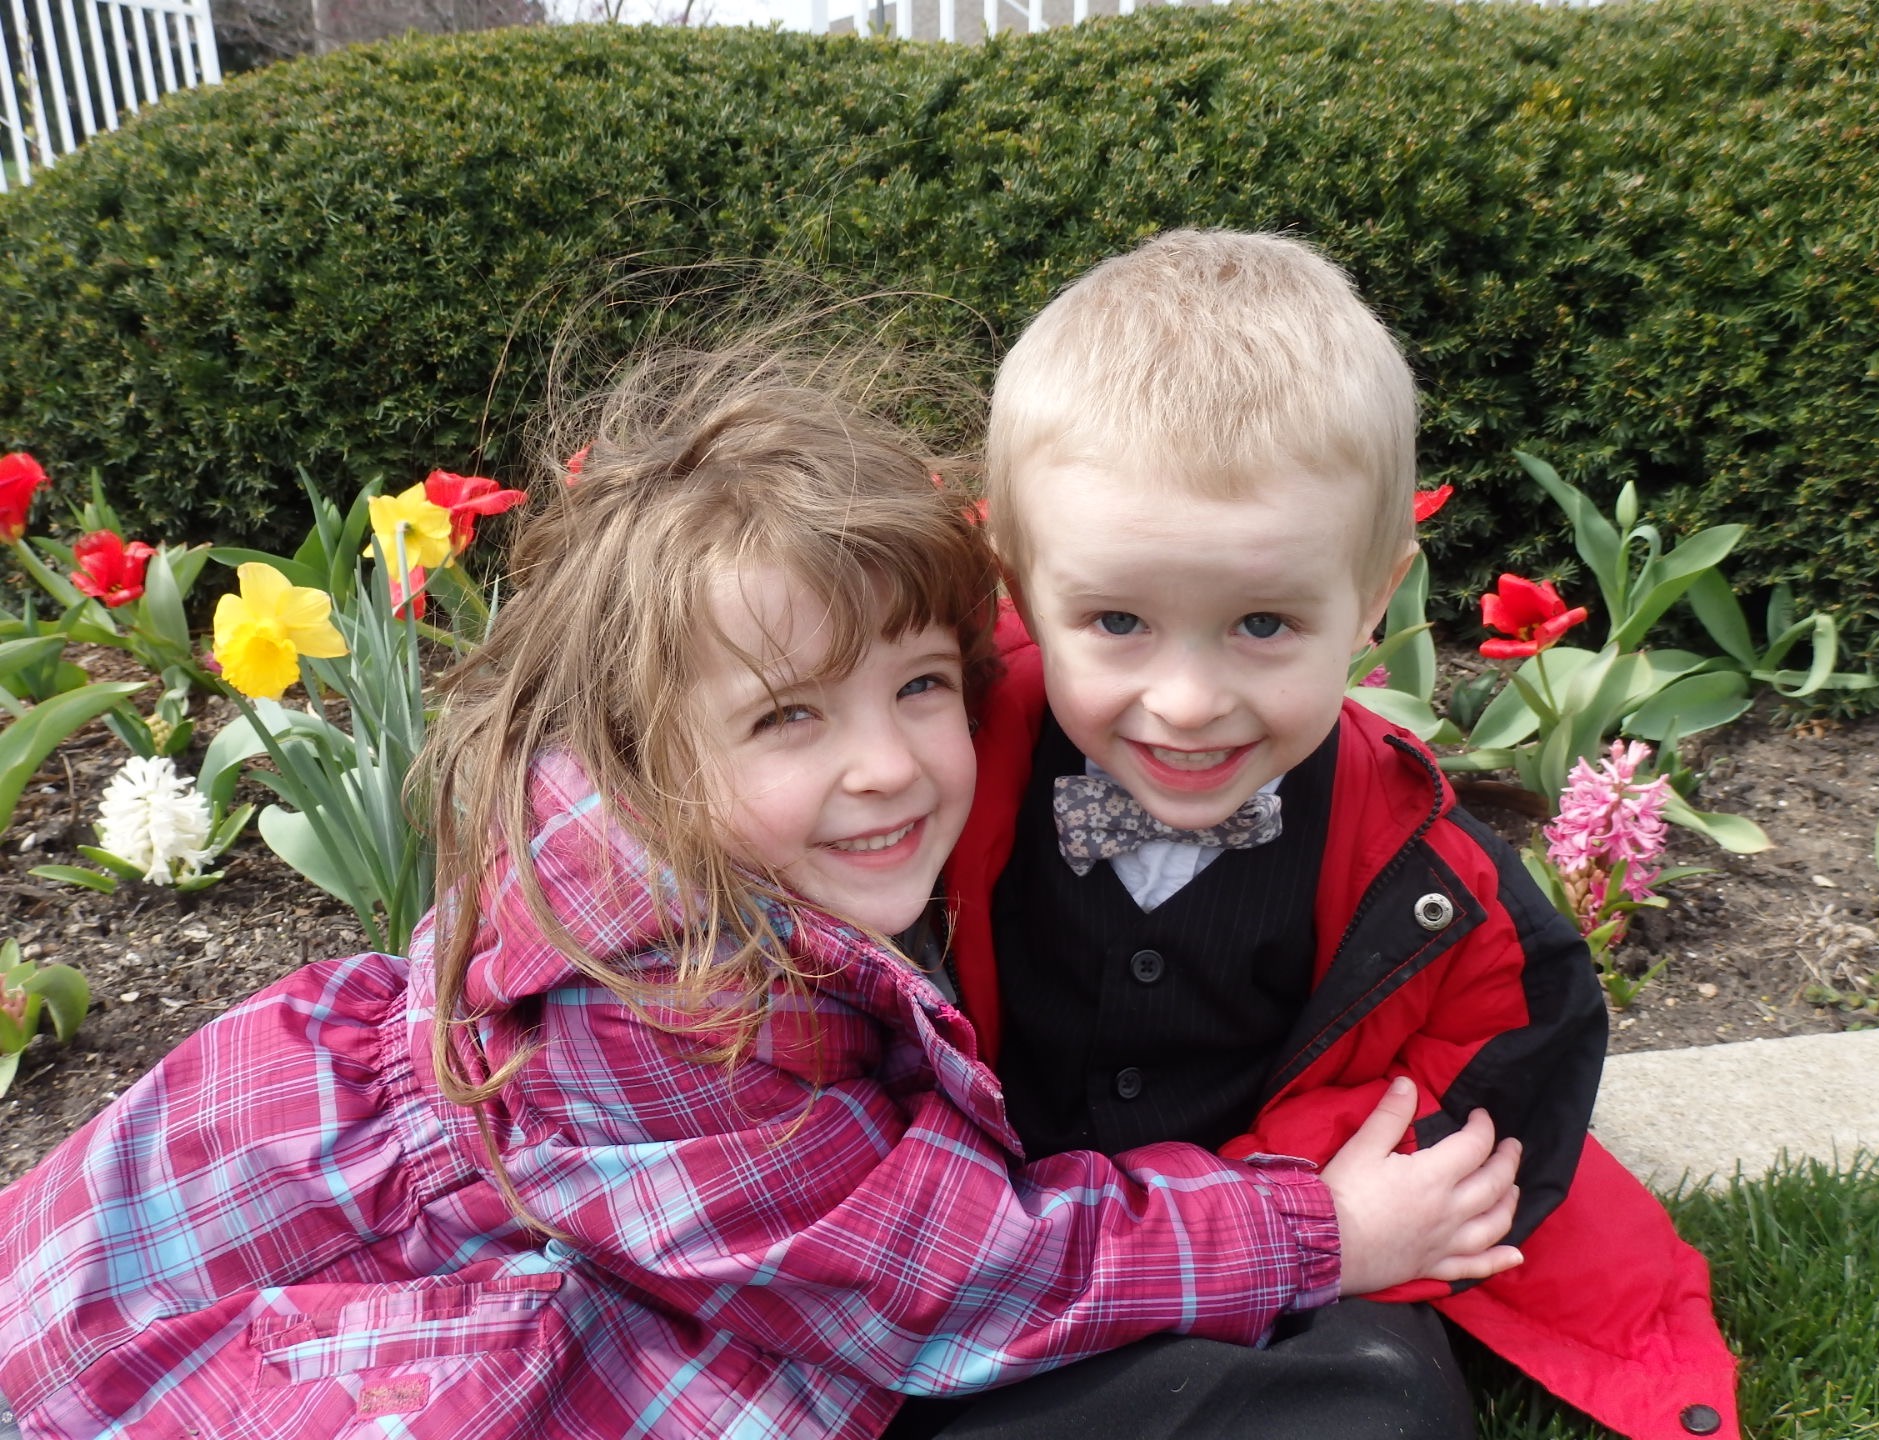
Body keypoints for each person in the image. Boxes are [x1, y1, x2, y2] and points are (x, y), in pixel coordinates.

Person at [0, 348, 1525, 1440]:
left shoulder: (769, 858)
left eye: (920, 684)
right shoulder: (661, 997)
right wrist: (1313, 1233)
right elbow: (938, 1278)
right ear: (640, 737)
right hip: (349, 1322)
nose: (887, 769)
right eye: (789, 717)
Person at [935, 232, 1740, 1440]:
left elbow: (1518, 1049)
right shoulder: (937, 770)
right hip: (990, 1229)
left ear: (1371, 599)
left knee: (1385, 1401)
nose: (1190, 702)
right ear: (1019, 578)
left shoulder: (1416, 860)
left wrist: (1301, 1208)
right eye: (1116, 621)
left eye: (1263, 622)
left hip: (1295, 1238)